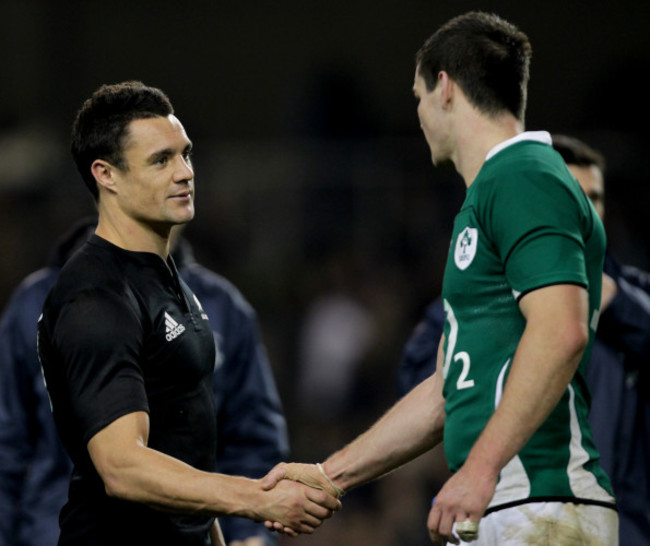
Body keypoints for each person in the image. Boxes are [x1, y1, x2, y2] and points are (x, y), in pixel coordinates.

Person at [262, 12, 618, 545]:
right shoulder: (489, 198)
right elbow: (444, 394)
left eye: (419, 96)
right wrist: (327, 476)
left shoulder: (524, 177)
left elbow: (560, 331)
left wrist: (479, 468)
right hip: (505, 504)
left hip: (539, 500)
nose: (420, 115)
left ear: (445, 87)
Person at [35, 81, 339, 545]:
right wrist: (257, 499)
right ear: (106, 174)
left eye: (186, 154)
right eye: (161, 160)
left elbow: (183, 444)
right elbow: (123, 467)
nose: (185, 172)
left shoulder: (164, 276)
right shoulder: (96, 296)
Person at [395, 134, 650, 544]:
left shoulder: (633, 294)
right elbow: (423, 384)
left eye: (594, 198)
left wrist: (616, 304)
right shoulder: (480, 299)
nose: (585, 211)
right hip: (519, 518)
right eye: (571, 195)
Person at [0, 217, 291, 546]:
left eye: (184, 161)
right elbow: (6, 443)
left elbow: (252, 439)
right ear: (107, 180)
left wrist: (252, 534)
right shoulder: (40, 301)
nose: (180, 177)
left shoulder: (222, 307)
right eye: (159, 163)